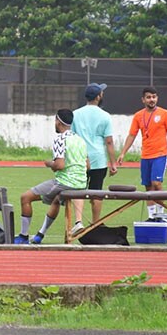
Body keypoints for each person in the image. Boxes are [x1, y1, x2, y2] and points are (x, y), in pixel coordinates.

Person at [17, 109, 89, 245]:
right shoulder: (80, 140)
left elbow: (60, 165)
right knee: (56, 201)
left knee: (25, 197)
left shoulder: (60, 139)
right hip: (81, 183)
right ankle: (39, 235)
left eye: (55, 120)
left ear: (58, 121)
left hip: (64, 182)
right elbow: (87, 166)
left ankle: (23, 236)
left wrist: (50, 163)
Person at [116, 86, 167, 218]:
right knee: (148, 187)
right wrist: (123, 153)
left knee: (157, 183)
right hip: (145, 156)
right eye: (149, 97)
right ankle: (151, 216)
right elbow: (132, 135)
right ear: (143, 100)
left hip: (160, 154)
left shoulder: (164, 114)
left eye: (154, 97)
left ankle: (161, 214)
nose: (152, 100)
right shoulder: (138, 115)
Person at [69, 83, 118, 236]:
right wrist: (113, 162)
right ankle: (95, 222)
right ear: (98, 96)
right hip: (98, 159)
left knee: (79, 190)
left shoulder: (75, 114)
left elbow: (71, 137)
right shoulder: (105, 116)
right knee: (97, 192)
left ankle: (78, 221)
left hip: (80, 158)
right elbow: (108, 141)